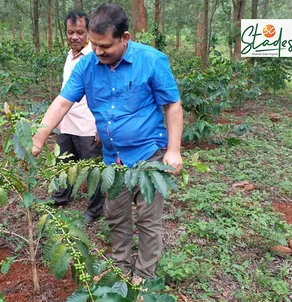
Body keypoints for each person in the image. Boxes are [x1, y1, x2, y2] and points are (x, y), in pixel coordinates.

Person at [32, 3, 183, 285]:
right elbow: (63, 101)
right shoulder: (87, 65)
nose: (98, 51)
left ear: (125, 38)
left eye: (105, 46)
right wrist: (40, 136)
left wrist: (173, 151)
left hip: (148, 154)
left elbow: (172, 105)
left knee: (147, 220)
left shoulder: (151, 60)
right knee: (116, 216)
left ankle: (144, 276)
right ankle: (121, 267)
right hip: (113, 159)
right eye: (94, 44)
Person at [52, 9, 104, 225]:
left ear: (89, 32)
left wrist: (101, 126)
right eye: (70, 32)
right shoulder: (70, 55)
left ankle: (94, 209)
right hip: (67, 123)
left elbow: (103, 91)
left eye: (80, 32)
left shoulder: (96, 56)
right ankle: (59, 198)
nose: (74, 37)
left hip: (87, 125)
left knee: (92, 171)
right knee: (63, 164)